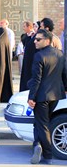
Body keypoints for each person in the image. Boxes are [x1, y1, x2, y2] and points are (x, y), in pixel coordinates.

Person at [27, 29, 67, 165]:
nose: (35, 42)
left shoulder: (39, 56)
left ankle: (47, 156)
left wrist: (31, 97)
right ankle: (37, 144)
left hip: (41, 97)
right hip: (55, 95)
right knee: (43, 123)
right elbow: (64, 74)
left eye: (38, 39)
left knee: (43, 125)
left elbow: (36, 79)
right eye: (35, 39)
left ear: (48, 41)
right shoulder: (60, 54)